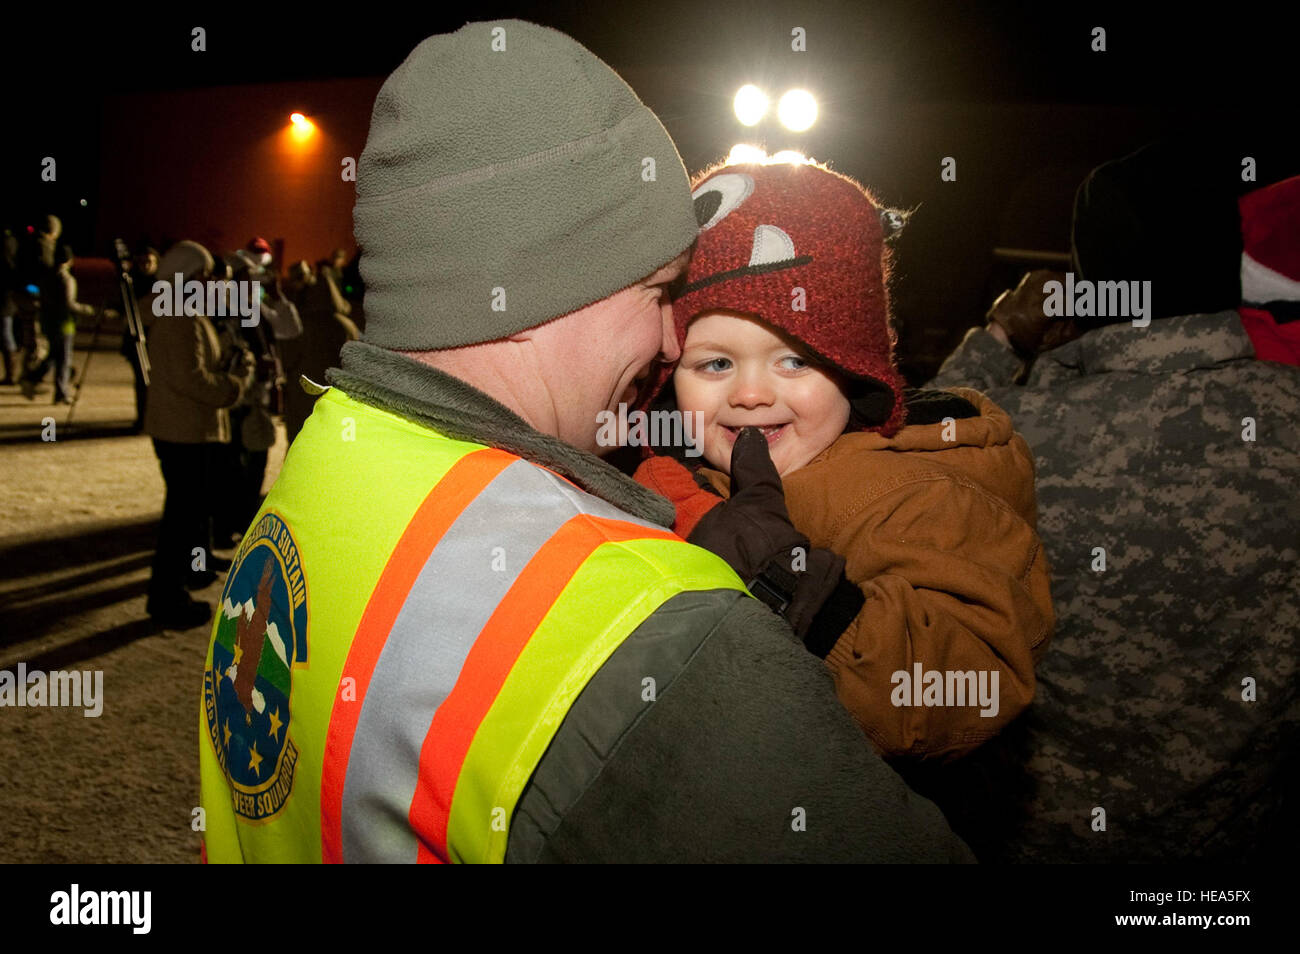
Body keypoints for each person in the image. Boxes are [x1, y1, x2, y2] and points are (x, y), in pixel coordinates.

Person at [198, 20, 974, 864]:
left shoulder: (328, 460)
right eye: (656, 291)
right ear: (533, 295)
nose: (671, 343)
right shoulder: (649, 629)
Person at [925, 155, 1300, 861]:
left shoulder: (1012, 431)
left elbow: (902, 462)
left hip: (1013, 840)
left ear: (1088, 275)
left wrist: (1002, 337)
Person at [630, 161, 1054, 759]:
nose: (751, 394)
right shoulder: (673, 469)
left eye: (796, 361)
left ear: (856, 369)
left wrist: (794, 586)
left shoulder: (911, 494)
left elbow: (978, 681)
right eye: (716, 364)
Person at [144, 240, 257, 629]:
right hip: (182, 430)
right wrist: (233, 385)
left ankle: (187, 575)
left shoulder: (185, 312)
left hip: (187, 427)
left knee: (189, 512)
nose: (210, 281)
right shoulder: (179, 316)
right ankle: (166, 597)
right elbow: (190, 379)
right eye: (203, 274)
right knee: (181, 515)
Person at [21, 243, 98, 404]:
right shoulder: (66, 279)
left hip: (48, 321)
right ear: (69, 260)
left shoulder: (46, 276)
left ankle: (33, 379)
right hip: (64, 323)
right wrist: (89, 310)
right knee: (63, 358)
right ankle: (60, 392)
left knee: (54, 355)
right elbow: (69, 303)